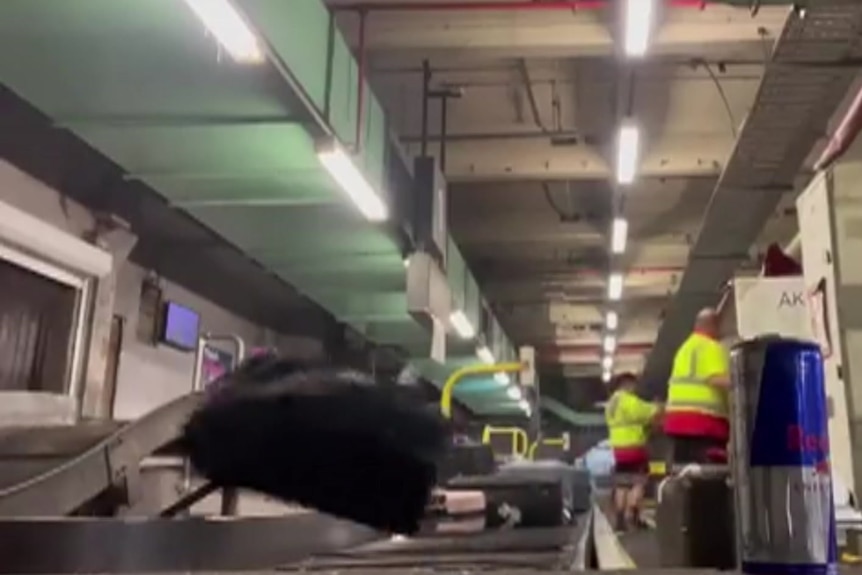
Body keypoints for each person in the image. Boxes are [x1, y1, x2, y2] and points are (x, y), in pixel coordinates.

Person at [663, 307, 731, 466]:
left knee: (684, 472)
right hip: (703, 423)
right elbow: (717, 378)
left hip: (676, 423)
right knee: (710, 476)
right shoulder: (709, 346)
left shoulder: (685, 348)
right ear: (715, 325)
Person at [605, 372, 663, 532]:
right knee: (639, 482)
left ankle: (619, 517)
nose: (635, 389)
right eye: (633, 385)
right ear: (626, 384)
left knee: (622, 484)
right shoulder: (628, 400)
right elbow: (646, 412)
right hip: (635, 448)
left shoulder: (611, 405)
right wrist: (657, 406)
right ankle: (631, 513)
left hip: (619, 450)